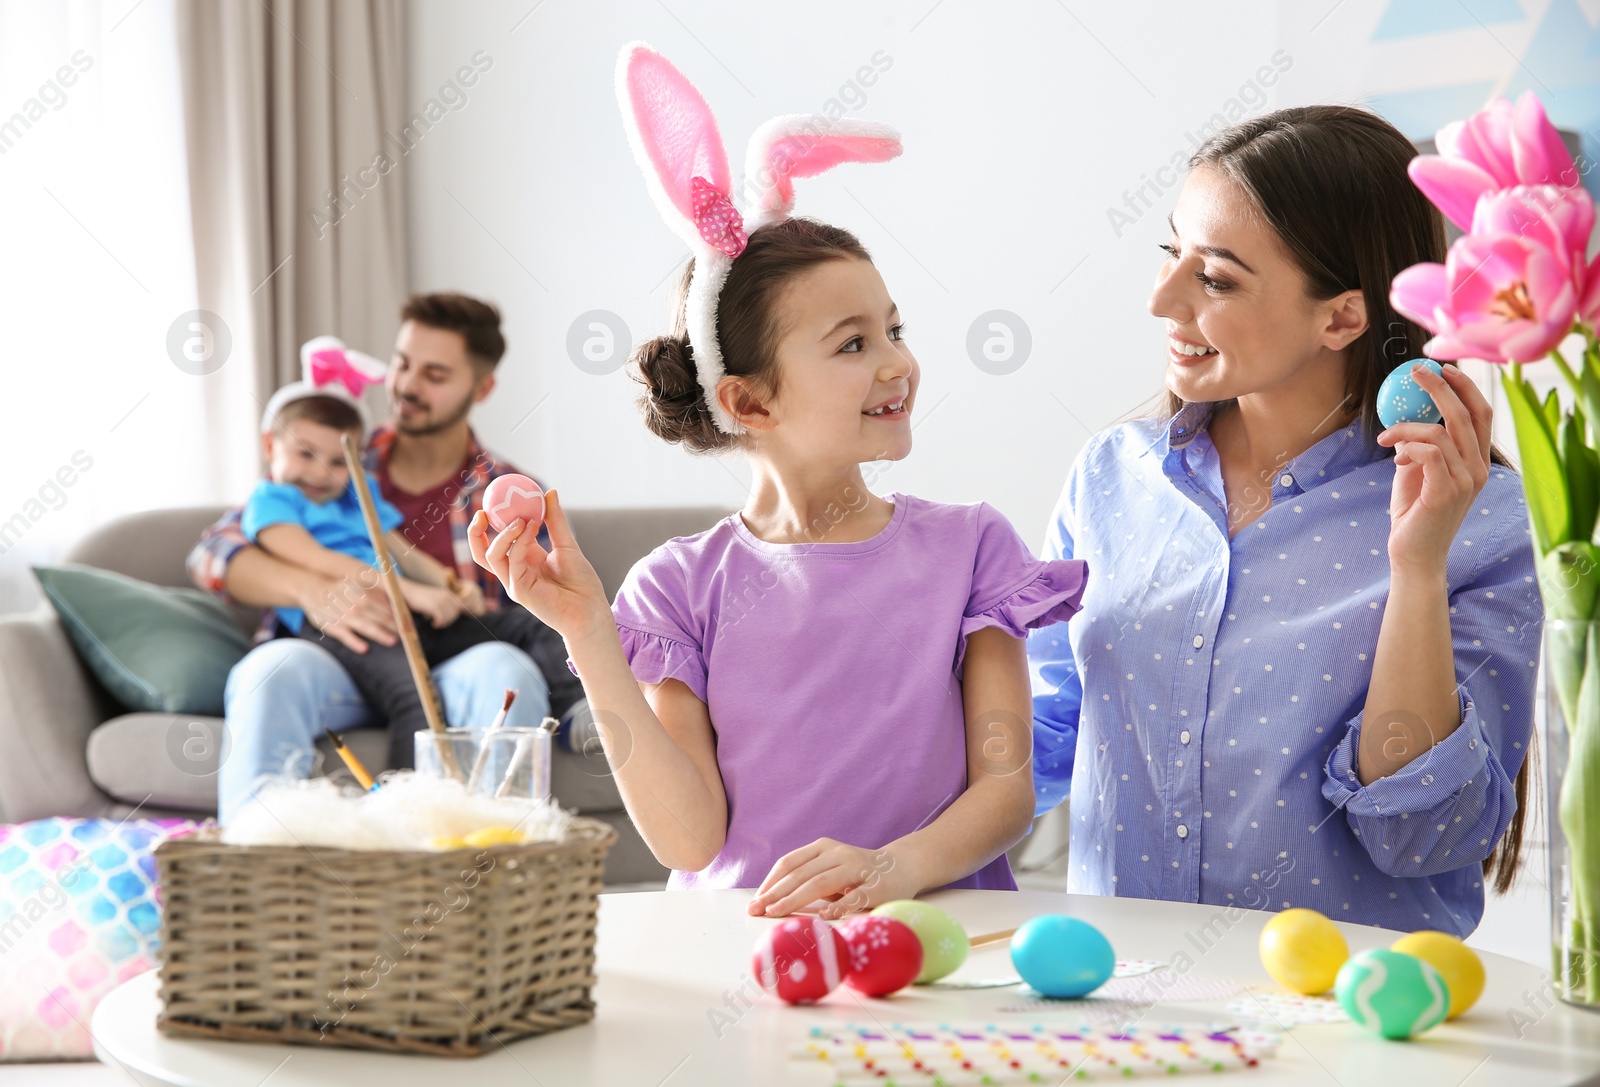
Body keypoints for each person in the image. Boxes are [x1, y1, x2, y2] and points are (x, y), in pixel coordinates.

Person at [467, 46, 1088, 917]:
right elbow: (691, 841)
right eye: (852, 342)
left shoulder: (973, 548)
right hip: (747, 951)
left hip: (936, 938)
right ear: (748, 401)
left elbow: (1005, 790)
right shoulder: (677, 586)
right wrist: (585, 629)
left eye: (894, 328)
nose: (899, 362)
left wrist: (894, 869)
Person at [1027, 105, 1541, 937]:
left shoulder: (1481, 524)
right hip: (1116, 1002)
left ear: (1341, 316)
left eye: (1217, 279)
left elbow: (1423, 834)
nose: (1163, 298)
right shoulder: (1110, 478)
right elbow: (1038, 739)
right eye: (1171, 255)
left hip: (1349, 1025)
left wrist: (1415, 567)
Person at [188, 294, 583, 822]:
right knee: (269, 668)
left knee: (506, 666)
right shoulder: (332, 451)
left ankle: (486, 873)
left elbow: (542, 601)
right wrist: (308, 591)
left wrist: (451, 592)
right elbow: (214, 553)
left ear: (481, 388)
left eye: (435, 374)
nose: (407, 386)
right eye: (402, 364)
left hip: (448, 659)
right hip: (333, 661)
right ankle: (256, 862)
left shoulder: (503, 491)